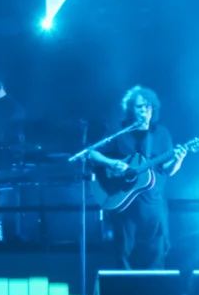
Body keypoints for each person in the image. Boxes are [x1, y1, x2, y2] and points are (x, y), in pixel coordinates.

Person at [69, 86, 179, 269]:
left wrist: (179, 160)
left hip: (153, 205)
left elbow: (168, 170)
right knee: (123, 256)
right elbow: (91, 153)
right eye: (139, 106)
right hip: (124, 204)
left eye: (148, 106)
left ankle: (153, 294)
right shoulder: (120, 134)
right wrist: (113, 164)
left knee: (156, 256)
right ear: (129, 109)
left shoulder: (161, 134)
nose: (144, 110)